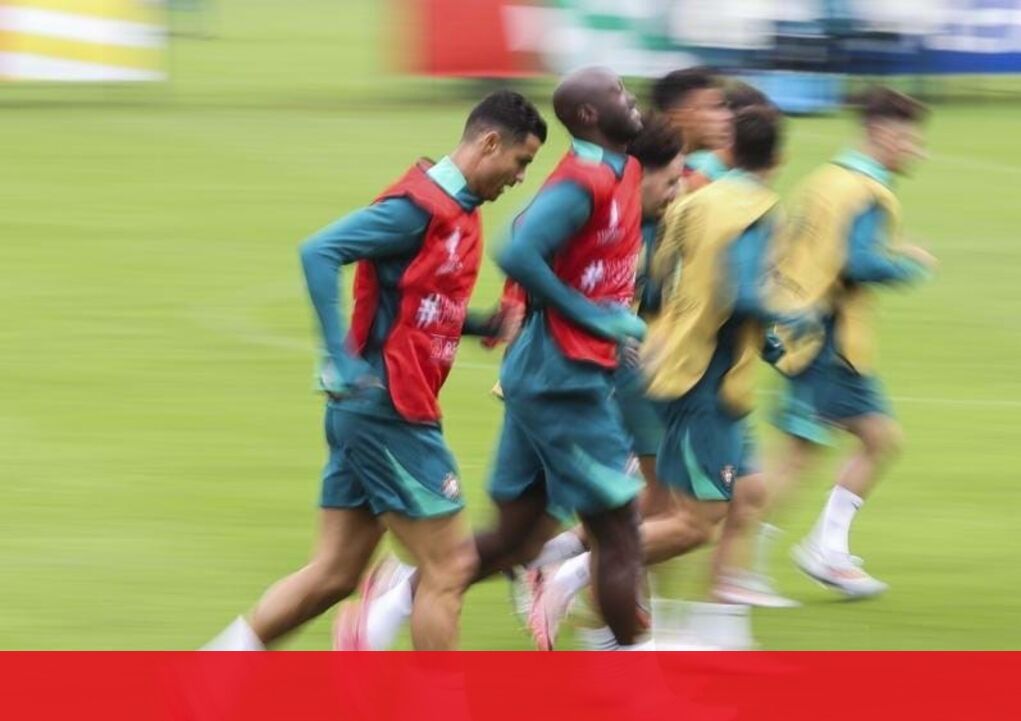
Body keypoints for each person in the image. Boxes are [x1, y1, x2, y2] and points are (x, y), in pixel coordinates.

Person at [202, 91, 547, 651]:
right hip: (391, 411)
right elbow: (319, 251)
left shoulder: (459, 211)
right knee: (450, 568)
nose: (520, 176)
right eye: (521, 161)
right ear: (489, 143)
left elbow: (418, 304)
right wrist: (337, 358)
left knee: (334, 574)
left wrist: (482, 321)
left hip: (368, 413)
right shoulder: (417, 208)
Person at [332, 112, 687, 652]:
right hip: (563, 384)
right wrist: (580, 316)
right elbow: (522, 245)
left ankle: (391, 604)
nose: (678, 192)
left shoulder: (621, 211)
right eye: (672, 180)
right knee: (622, 526)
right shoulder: (592, 197)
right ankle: (630, 665)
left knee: (517, 538)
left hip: (546, 380)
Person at [528, 105, 793, 650]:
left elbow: (654, 283)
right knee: (692, 519)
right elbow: (738, 293)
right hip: (693, 377)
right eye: (670, 179)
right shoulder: (740, 209)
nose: (675, 189)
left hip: (674, 369)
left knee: (723, 499)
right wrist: (794, 313)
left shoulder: (689, 201)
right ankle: (578, 579)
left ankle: (687, 632)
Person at [770, 87, 937, 598]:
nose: (917, 151)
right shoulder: (868, 192)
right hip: (829, 340)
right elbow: (858, 263)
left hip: (803, 328)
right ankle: (732, 563)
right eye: (910, 139)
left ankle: (824, 550)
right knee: (798, 459)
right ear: (882, 134)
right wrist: (909, 265)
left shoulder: (824, 179)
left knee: (877, 439)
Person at [651, 67, 732, 191]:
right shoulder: (647, 175)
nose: (728, 116)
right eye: (716, 107)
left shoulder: (702, 171)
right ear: (678, 117)